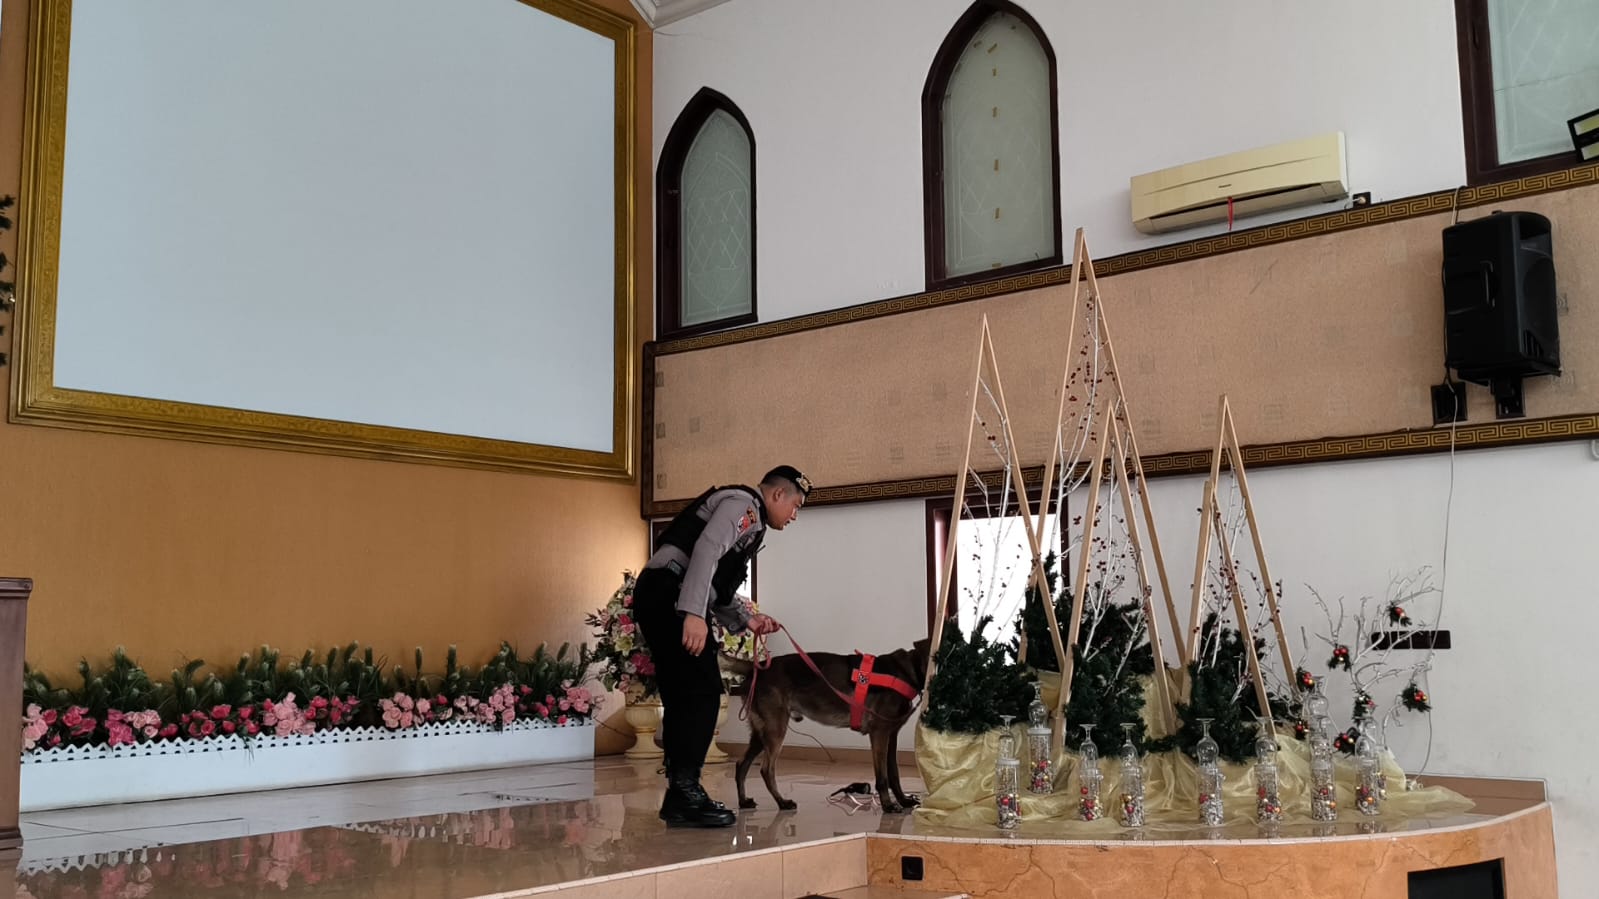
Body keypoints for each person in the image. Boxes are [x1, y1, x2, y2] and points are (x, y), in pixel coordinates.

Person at [633, 465, 810, 827]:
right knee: (702, 691)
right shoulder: (743, 505)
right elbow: (707, 549)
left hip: (666, 593)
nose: (794, 515)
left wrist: (748, 620)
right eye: (795, 506)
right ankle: (685, 792)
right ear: (778, 494)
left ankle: (681, 794)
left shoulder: (752, 521)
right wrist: (692, 613)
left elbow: (718, 583)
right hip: (669, 592)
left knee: (688, 693)